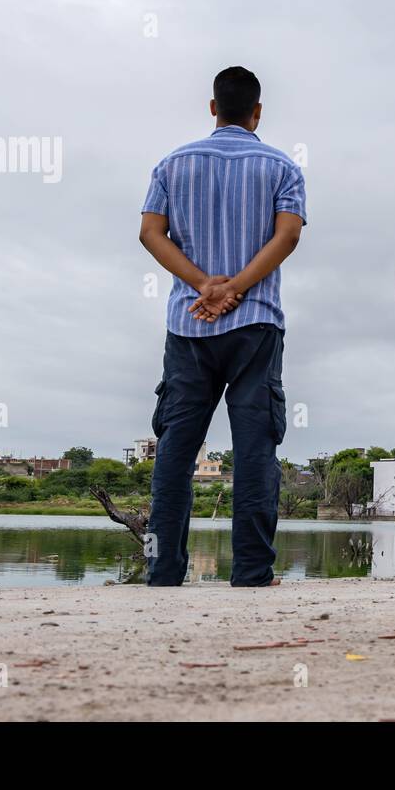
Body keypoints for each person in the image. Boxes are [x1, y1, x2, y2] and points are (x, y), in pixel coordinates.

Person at [137, 66, 306, 587]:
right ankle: (253, 572)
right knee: (255, 449)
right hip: (255, 324)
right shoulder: (282, 166)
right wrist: (236, 290)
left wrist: (204, 285)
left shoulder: (174, 163)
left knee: (175, 452)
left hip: (188, 324)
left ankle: (164, 570)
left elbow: (150, 233)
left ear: (213, 108)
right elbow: (287, 237)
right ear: (257, 113)